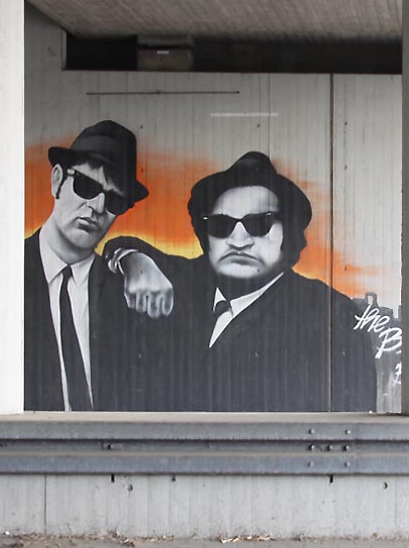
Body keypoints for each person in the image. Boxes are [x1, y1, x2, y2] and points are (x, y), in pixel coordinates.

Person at [107, 151, 376, 412]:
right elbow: (122, 245)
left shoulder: (330, 314)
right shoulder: (190, 281)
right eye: (221, 225)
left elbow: (351, 421)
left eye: (259, 224)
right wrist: (133, 260)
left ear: (288, 232)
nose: (238, 240)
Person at [24, 120, 164, 411]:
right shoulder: (6, 275)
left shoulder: (126, 294)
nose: (98, 207)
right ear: (57, 180)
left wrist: (132, 257)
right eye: (86, 186)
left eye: (114, 201)